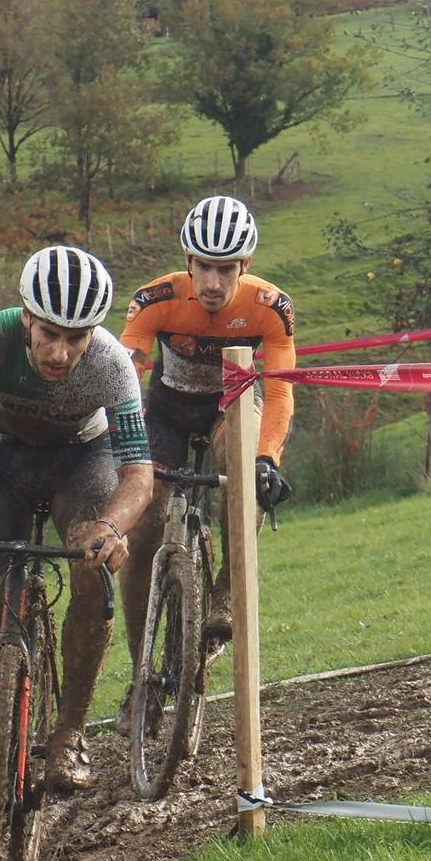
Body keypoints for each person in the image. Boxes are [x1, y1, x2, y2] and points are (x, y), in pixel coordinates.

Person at [0, 245, 154, 825]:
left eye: (76, 338)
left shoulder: (112, 364)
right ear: (26, 317)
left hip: (80, 463)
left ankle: (69, 733)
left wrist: (112, 528)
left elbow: (138, 473)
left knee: (91, 574)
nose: (60, 352)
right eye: (48, 334)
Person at [117, 194, 296, 679]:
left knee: (247, 475)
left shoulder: (270, 306)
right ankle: (141, 668)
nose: (213, 283)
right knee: (143, 526)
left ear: (245, 265)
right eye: (203, 267)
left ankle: (226, 595)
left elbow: (281, 390)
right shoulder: (155, 299)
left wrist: (267, 458)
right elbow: (125, 376)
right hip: (167, 411)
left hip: (229, 406)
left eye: (226, 269)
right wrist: (120, 444)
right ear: (187, 261)